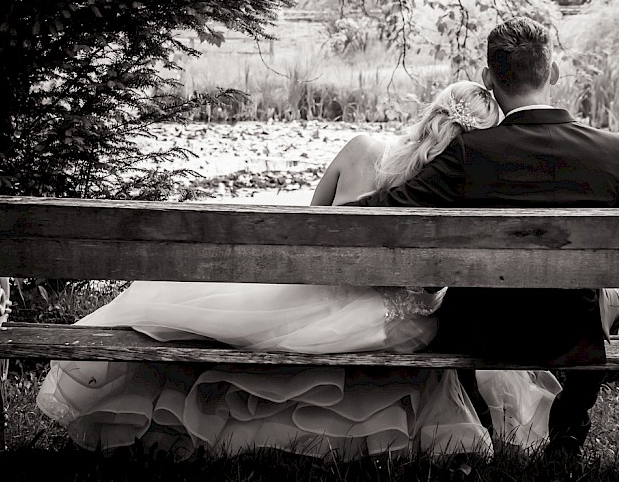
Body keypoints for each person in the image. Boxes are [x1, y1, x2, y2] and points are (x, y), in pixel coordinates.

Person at [36, 80, 562, 461]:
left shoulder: (365, 149)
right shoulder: (461, 185)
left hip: (334, 296)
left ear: (431, 114)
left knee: (203, 306)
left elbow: (306, 235)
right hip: (406, 323)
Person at [349, 17, 619, 459]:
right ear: (553, 73)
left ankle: (484, 420)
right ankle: (567, 428)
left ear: (488, 78)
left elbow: (382, 213)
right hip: (573, 334)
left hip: (481, 333)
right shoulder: (614, 151)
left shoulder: (469, 153)